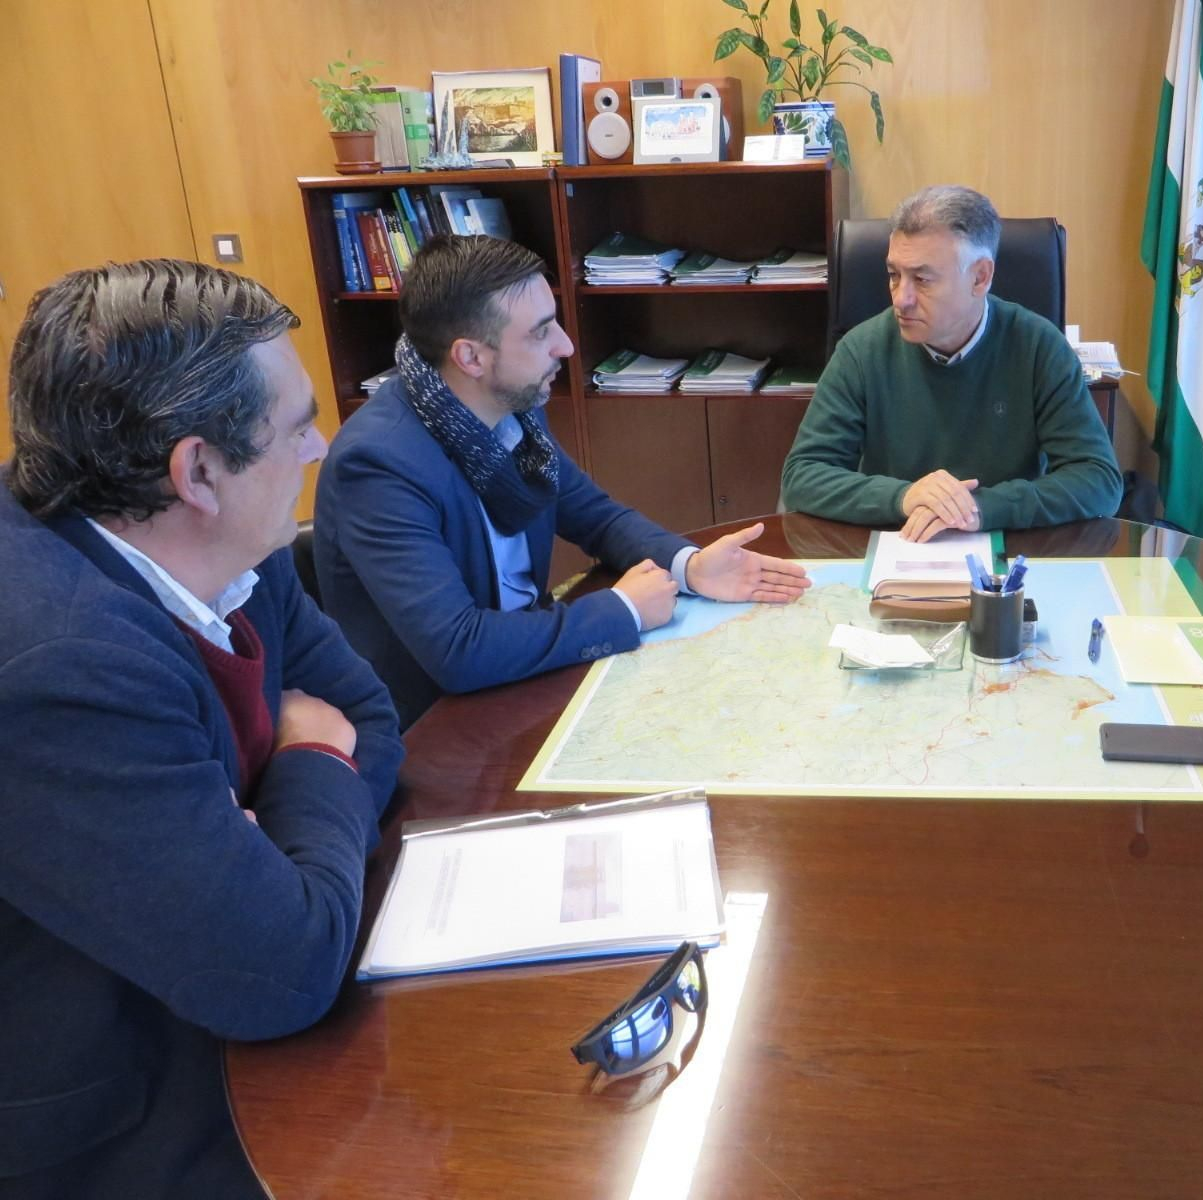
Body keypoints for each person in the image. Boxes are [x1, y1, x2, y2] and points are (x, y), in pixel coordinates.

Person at [0, 260, 403, 1196]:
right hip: (124, 1118)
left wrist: (266, 843)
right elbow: (284, 969)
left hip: (207, 1003)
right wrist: (305, 756)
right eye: (299, 425)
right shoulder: (59, 665)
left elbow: (374, 720)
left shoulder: (231, 548)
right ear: (199, 471)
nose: (320, 448)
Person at [315, 234, 811, 728]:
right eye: (540, 331)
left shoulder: (514, 410)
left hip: (524, 677)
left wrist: (692, 567)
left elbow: (596, 517)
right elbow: (457, 650)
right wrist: (622, 610)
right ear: (470, 357)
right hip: (435, 725)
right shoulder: (379, 463)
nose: (566, 346)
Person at [780, 184, 1123, 542]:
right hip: (896, 551)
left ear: (980, 277)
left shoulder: (1039, 347)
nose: (901, 299)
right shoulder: (860, 350)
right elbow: (802, 476)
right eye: (894, 275)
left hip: (1007, 554)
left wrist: (980, 507)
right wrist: (903, 496)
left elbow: (1098, 479)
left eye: (922, 280)